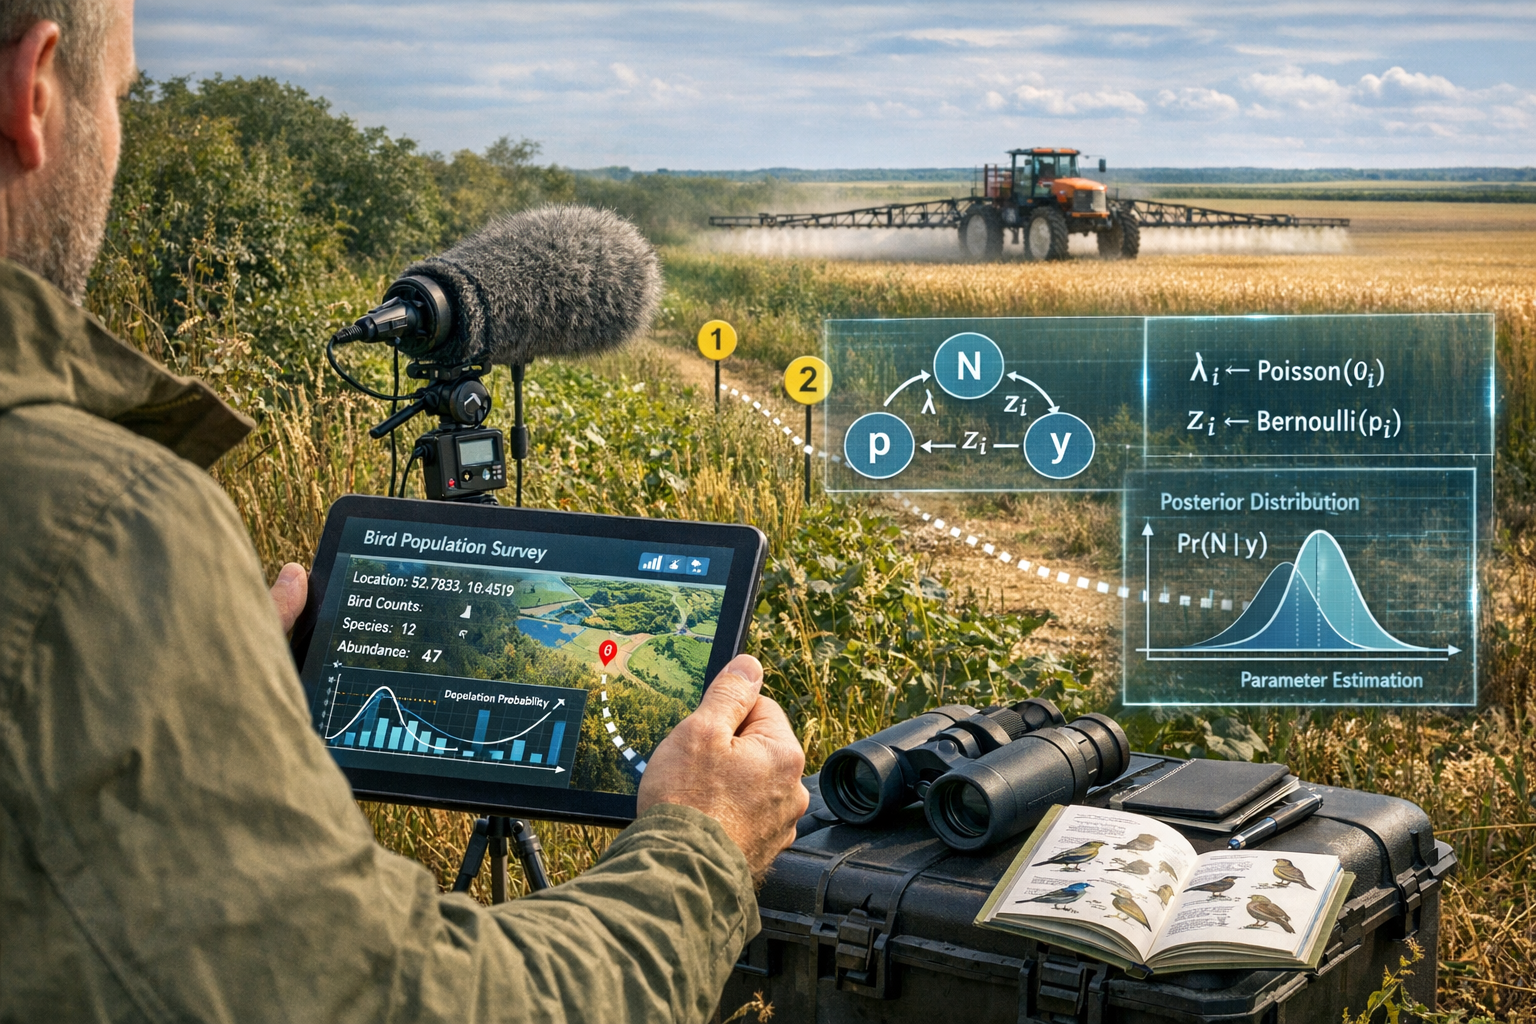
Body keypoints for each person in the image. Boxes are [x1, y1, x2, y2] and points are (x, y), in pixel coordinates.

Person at [0, 2, 809, 1020]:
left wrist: (195, 744)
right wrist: (701, 848)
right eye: (119, 98)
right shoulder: (96, 517)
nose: (116, 138)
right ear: (32, 93)